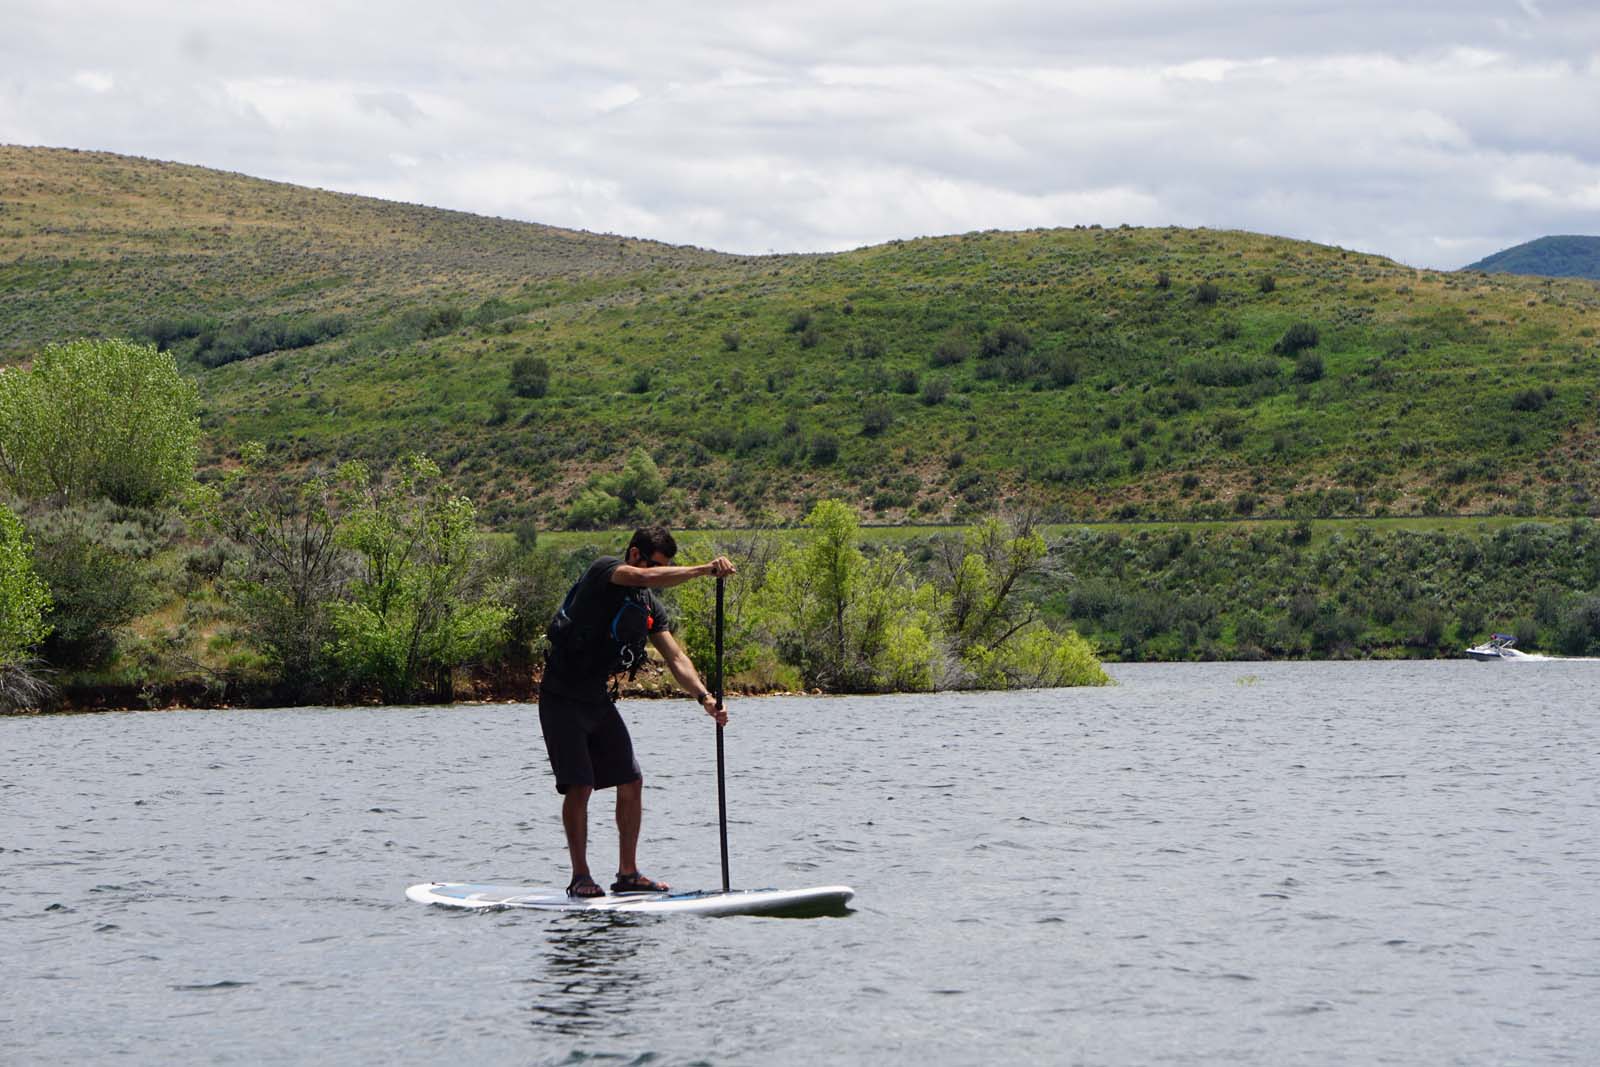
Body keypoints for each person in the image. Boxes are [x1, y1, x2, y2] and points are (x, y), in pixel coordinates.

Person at [538, 525, 735, 898]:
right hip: (560, 696)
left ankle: (627, 875)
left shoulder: (646, 606)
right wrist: (703, 570)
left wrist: (704, 698)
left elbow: (675, 656)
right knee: (580, 785)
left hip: (597, 699)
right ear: (634, 555)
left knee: (631, 780)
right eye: (656, 565)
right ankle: (581, 877)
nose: (656, 575)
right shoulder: (604, 571)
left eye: (665, 566)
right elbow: (645, 577)